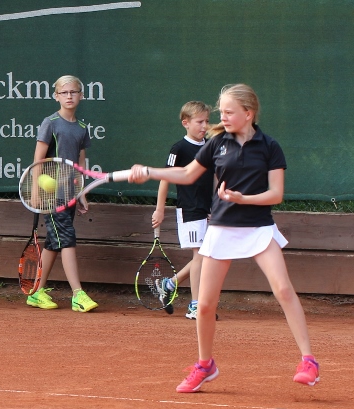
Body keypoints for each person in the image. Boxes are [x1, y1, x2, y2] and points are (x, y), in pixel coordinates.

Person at [129, 83, 319, 392]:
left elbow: (276, 194)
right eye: (222, 112)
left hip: (258, 226)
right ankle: (205, 365)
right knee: (204, 306)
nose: (223, 117)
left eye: (230, 112)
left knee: (283, 289)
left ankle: (308, 361)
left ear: (249, 113)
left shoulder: (270, 147)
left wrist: (243, 199)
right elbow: (188, 174)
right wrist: (152, 171)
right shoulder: (217, 143)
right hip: (220, 227)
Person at [25, 75, 98, 313]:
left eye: (73, 92)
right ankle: (78, 294)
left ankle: (36, 292)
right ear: (56, 96)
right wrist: (36, 190)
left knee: (54, 243)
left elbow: (80, 163)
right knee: (67, 238)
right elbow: (38, 159)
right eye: (64, 93)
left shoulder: (82, 128)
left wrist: (81, 192)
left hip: (69, 193)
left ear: (81, 96)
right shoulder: (50, 123)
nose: (69, 96)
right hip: (50, 196)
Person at [152, 101, 214, 318]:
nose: (204, 126)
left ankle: (169, 284)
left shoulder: (210, 146)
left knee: (206, 257)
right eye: (199, 122)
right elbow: (164, 178)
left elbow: (214, 177)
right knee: (200, 257)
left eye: (206, 121)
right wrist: (160, 209)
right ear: (185, 123)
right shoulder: (178, 149)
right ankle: (195, 305)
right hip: (189, 209)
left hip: (208, 210)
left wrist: (216, 205)